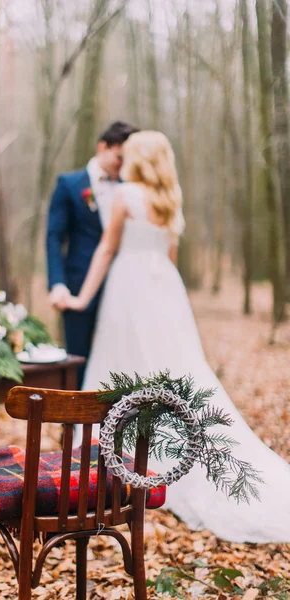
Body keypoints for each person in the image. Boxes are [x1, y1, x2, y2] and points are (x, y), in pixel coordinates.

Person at [62, 130, 290, 544]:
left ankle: (120, 457)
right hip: (165, 290)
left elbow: (106, 251)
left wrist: (81, 298)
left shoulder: (125, 196)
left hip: (128, 289)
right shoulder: (171, 200)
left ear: (139, 159)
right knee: (175, 369)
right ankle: (162, 451)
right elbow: (169, 257)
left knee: (124, 365)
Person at [46, 121, 139, 387]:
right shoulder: (69, 184)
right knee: (77, 360)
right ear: (103, 147)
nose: (122, 164)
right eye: (119, 156)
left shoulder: (131, 188)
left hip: (124, 285)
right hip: (78, 286)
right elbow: (54, 238)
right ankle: (73, 425)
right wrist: (58, 284)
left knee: (119, 361)